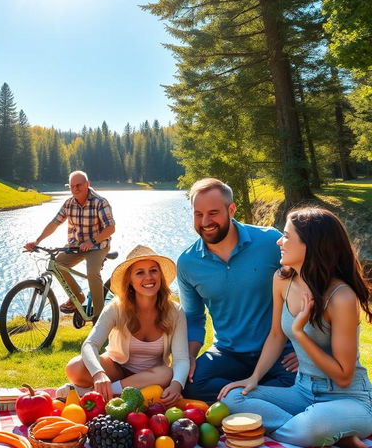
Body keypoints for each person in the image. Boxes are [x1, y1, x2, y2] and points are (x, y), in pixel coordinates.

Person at [219, 207, 372, 448]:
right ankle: (330, 434)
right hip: (302, 391)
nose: (280, 241)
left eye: (287, 236)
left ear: (311, 244)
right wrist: (254, 378)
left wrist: (301, 333)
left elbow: (344, 376)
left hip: (348, 398)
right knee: (232, 398)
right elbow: (276, 335)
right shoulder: (282, 279)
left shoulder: (341, 297)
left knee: (313, 427)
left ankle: (315, 428)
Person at [177, 178, 297, 403]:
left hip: (279, 350)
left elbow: (306, 290)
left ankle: (241, 397)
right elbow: (193, 317)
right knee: (191, 385)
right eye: (198, 214)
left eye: (213, 213)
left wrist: (305, 351)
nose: (205, 221)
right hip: (228, 353)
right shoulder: (187, 262)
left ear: (231, 209)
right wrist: (190, 356)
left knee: (304, 380)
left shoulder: (271, 240)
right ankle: (257, 395)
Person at [58, 245, 189, 404]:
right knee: (75, 367)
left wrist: (177, 384)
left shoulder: (175, 311)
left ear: (160, 275)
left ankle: (93, 393)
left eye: (153, 270)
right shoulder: (115, 308)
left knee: (168, 374)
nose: (148, 277)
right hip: (116, 369)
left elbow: (181, 359)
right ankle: (107, 389)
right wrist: (98, 373)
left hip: (151, 375)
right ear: (130, 281)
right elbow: (90, 344)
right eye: (140, 272)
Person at [24, 170, 115, 320]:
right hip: (76, 246)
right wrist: (37, 241)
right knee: (57, 264)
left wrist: (91, 242)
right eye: (72, 186)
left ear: (87, 184)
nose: (75, 189)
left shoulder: (100, 202)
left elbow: (110, 228)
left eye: (78, 185)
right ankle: (78, 297)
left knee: (92, 273)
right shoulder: (69, 203)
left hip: (98, 246)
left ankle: (99, 318)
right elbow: (54, 223)